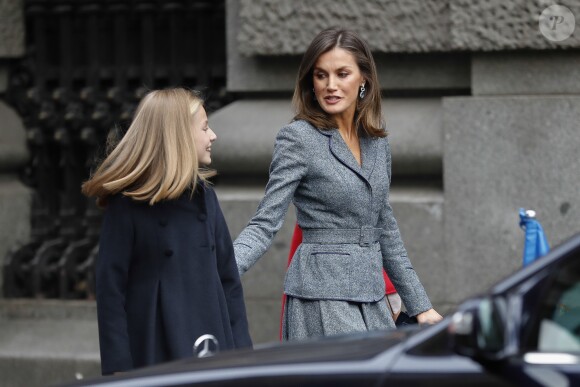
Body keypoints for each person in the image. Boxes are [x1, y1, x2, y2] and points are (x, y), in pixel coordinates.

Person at [234, 27, 442, 341]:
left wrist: (420, 305)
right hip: (320, 296)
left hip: (373, 298)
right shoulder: (298, 139)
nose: (330, 85)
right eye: (321, 75)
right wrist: (220, 273)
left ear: (364, 80)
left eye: (342, 74)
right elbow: (265, 223)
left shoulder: (376, 142)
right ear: (310, 82)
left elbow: (384, 226)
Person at [82, 88, 252, 375]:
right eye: (205, 128)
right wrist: (119, 369)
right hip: (154, 347)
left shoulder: (205, 199)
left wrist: (244, 354)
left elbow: (229, 281)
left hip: (213, 343)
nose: (213, 136)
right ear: (179, 136)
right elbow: (111, 291)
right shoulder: (127, 206)